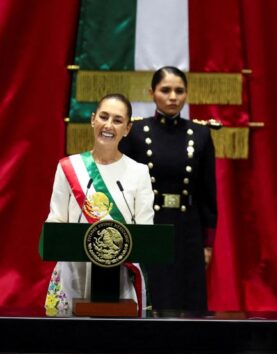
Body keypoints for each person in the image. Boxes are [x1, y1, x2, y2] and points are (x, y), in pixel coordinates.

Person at [45, 94, 154, 317]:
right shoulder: (69, 167)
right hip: (74, 272)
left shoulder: (139, 172)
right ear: (93, 119)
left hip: (120, 276)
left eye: (117, 120)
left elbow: (145, 233)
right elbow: (56, 221)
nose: (108, 125)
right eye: (103, 117)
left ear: (127, 128)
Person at [119, 66, 217, 314]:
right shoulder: (137, 132)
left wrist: (208, 244)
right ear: (152, 93)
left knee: (189, 300)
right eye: (165, 90)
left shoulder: (200, 134)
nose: (173, 97)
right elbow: (126, 189)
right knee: (154, 295)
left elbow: (208, 194)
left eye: (179, 91)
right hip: (149, 224)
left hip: (188, 226)